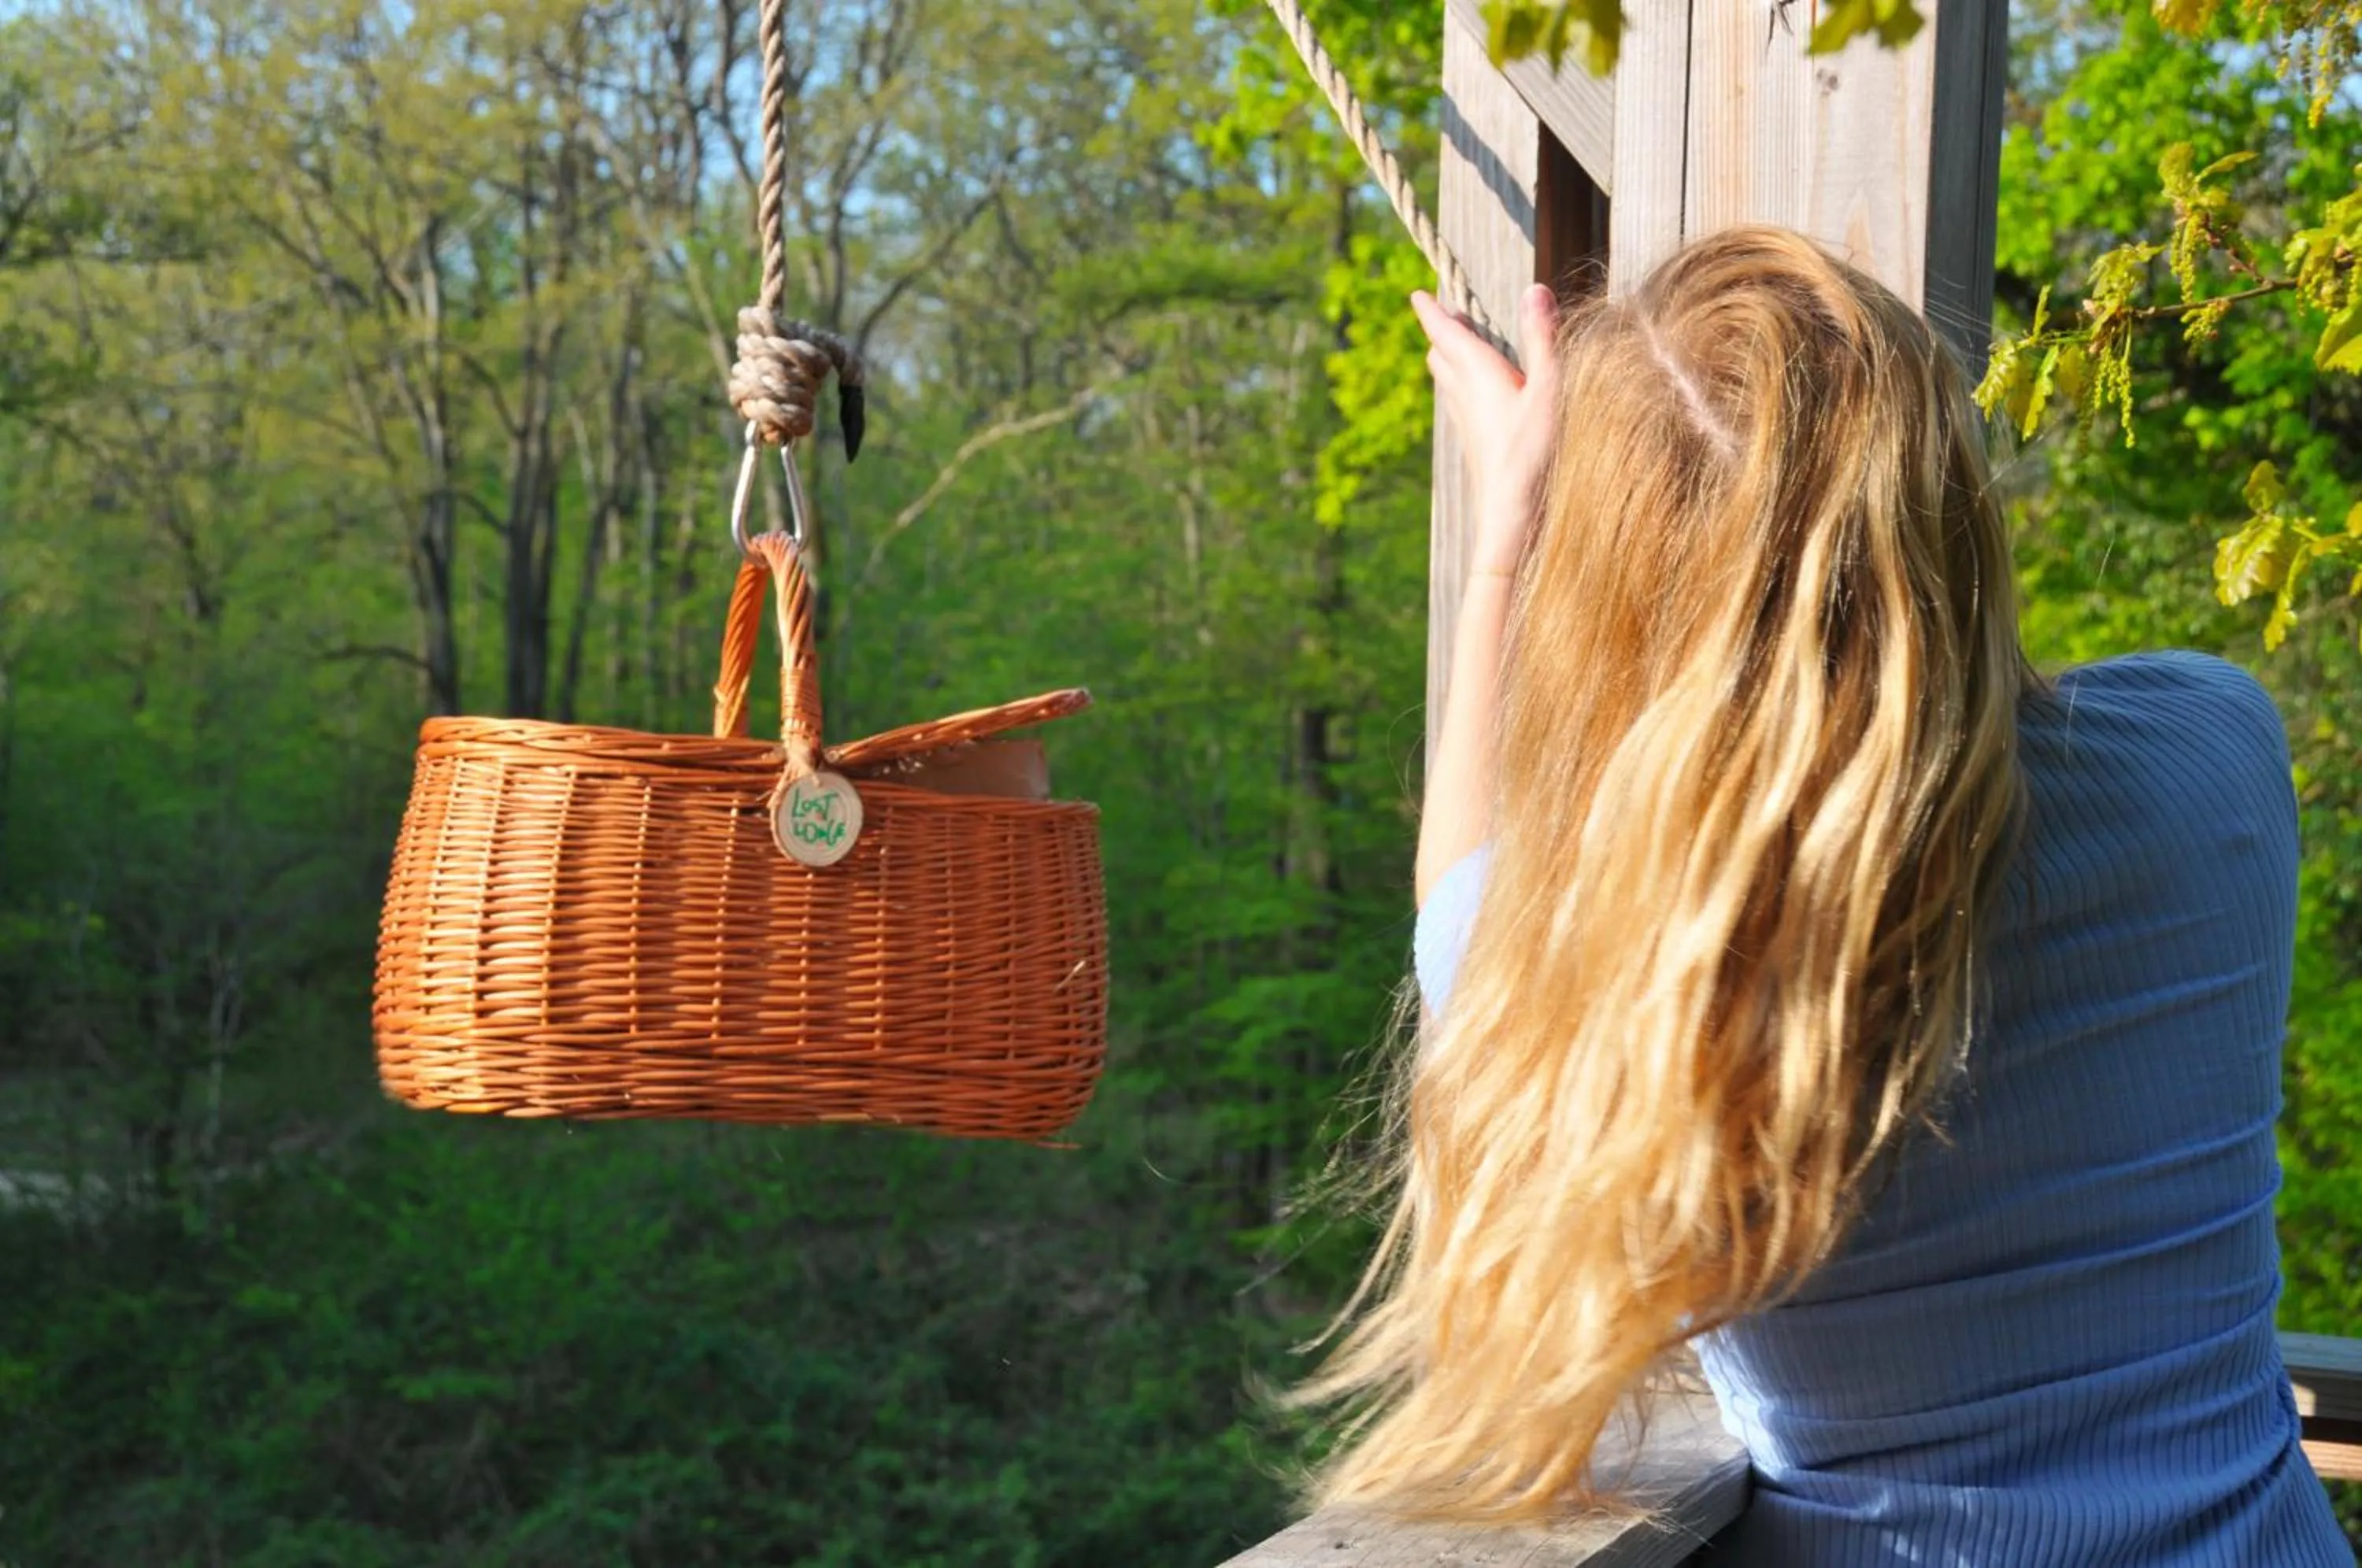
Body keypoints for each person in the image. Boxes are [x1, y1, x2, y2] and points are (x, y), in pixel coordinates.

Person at [1292, 227, 2352, 1563]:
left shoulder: (1611, 961)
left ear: (1608, 588)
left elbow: (1456, 892)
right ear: (1950, 494)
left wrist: (1508, 545)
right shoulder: (2213, 750)